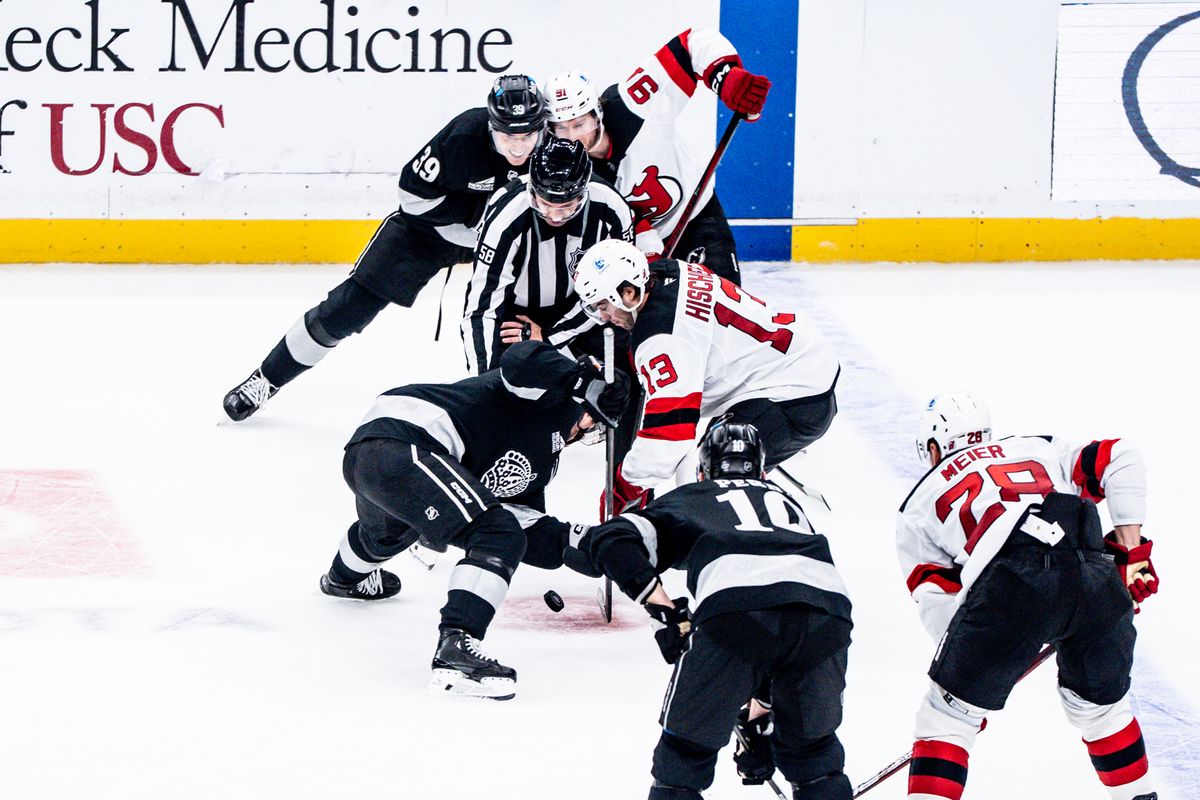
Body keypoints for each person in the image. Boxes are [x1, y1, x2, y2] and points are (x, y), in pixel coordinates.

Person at [222, 74, 546, 421]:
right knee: (347, 308)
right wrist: (477, 220)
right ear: (490, 125)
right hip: (430, 232)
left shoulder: (555, 145)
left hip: (509, 241)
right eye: (507, 136)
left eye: (527, 136)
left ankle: (523, 408)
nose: (518, 148)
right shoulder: (464, 136)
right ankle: (266, 379)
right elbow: (411, 195)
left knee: (525, 318)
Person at [318, 340, 630, 700]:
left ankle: (344, 579)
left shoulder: (544, 461)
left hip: (377, 458)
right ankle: (456, 653)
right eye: (593, 420)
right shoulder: (546, 396)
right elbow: (519, 360)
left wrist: (583, 544)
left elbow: (524, 525)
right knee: (495, 533)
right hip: (405, 438)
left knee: (390, 533)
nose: (587, 429)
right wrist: (581, 379)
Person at [896, 394, 1159, 800]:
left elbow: (940, 603)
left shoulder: (916, 506)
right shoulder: (1038, 447)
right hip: (1092, 570)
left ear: (934, 447)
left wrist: (970, 678)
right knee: (1103, 713)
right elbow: (1121, 458)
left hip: (1010, 585)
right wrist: (1132, 552)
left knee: (946, 721)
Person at [586, 421, 854, 800]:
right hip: (827, 613)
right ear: (762, 472)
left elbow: (610, 539)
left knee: (683, 760)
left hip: (735, 613)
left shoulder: (695, 496)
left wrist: (665, 610)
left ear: (703, 471)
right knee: (814, 757)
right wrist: (760, 716)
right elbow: (784, 618)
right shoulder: (788, 503)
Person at [571, 238, 840, 513]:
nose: (603, 317)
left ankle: (764, 528)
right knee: (709, 469)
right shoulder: (668, 270)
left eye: (603, 306)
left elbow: (670, 437)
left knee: (704, 476)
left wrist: (624, 487)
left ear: (628, 293)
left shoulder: (663, 339)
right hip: (796, 359)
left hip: (794, 394)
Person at [543, 28, 772, 284]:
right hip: (632, 245)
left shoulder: (635, 103)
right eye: (561, 128)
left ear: (597, 112)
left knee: (724, 295)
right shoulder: (563, 168)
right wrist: (651, 259)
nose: (573, 137)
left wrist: (726, 76)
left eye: (579, 124)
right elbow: (624, 222)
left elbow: (690, 45)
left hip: (697, 216)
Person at [461, 135, 660, 376]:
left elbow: (616, 289)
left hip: (589, 305)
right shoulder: (506, 218)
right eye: (545, 204)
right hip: (517, 315)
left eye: (566, 206)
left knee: (620, 376)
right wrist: (483, 383)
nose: (555, 216)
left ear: (584, 191)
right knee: (506, 380)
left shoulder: (611, 208)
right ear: (532, 189)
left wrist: (549, 337)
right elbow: (481, 310)